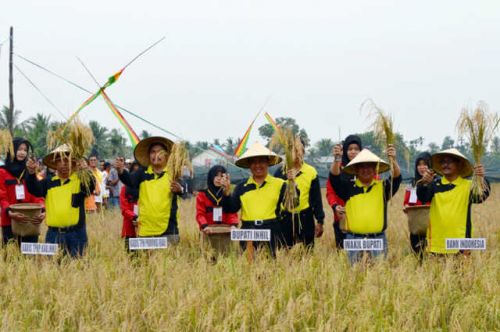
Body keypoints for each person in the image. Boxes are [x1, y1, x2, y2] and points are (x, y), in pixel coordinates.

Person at [221, 142, 297, 257]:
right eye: (254, 162)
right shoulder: (242, 187)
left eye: (261, 161)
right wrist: (226, 193)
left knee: (271, 267)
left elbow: (292, 205)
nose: (258, 166)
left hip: (272, 230)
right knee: (248, 267)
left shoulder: (280, 184)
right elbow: (231, 209)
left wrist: (292, 184)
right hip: (248, 230)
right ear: (249, 165)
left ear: (268, 163)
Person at [330, 145, 401, 264]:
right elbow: (334, 178)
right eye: (362, 167)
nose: (366, 170)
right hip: (353, 239)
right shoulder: (348, 187)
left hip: (377, 239)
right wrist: (337, 158)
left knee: (378, 276)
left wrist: (393, 159)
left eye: (369, 166)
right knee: (353, 276)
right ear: (356, 170)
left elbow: (396, 177)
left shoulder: (383, 187)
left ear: (375, 169)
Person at [25, 145, 95, 257]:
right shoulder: (48, 182)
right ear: (55, 164)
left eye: (67, 161)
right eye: (60, 161)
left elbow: (90, 186)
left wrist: (86, 171)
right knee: (53, 268)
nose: (64, 164)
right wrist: (31, 173)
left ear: (74, 163)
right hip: (53, 234)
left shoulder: (79, 181)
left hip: (76, 234)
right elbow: (34, 189)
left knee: (77, 268)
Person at [417, 148, 490, 255]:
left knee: (462, 271)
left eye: (449, 162)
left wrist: (482, 178)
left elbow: (480, 197)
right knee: (437, 271)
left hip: (461, 242)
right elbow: (423, 197)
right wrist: (424, 183)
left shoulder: (468, 186)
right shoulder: (434, 185)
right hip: (437, 243)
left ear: (459, 164)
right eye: (443, 162)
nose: (445, 165)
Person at [115, 137, 184, 244]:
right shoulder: (142, 173)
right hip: (146, 228)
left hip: (168, 228)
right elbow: (130, 181)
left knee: (168, 259)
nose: (156, 155)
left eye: (160, 152)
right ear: (149, 155)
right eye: (153, 152)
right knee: (147, 260)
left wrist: (179, 189)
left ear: (166, 155)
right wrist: (121, 171)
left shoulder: (172, 173)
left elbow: (182, 188)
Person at [274, 139, 324, 249]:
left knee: (306, 253)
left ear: (303, 152)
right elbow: (275, 199)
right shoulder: (280, 172)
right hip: (285, 218)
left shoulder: (311, 172)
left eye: (298, 150)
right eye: (291, 150)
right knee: (284, 252)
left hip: (305, 217)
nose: (295, 153)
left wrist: (320, 221)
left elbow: (316, 199)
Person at [0, 138, 45, 245]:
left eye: (25, 150)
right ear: (12, 150)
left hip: (30, 219)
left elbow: (37, 193)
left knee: (29, 256)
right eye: (19, 149)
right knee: (11, 256)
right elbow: (2, 196)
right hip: (10, 219)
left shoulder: (30, 170)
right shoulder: (2, 172)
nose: (22, 152)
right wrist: (9, 212)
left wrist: (42, 210)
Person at [326, 135, 362, 249]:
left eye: (356, 149)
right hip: (341, 218)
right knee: (343, 253)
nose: (353, 152)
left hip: (362, 219)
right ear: (345, 151)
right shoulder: (338, 168)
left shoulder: (367, 169)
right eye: (350, 149)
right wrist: (335, 206)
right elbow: (331, 191)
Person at [403, 152, 432, 256]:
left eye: (425, 164)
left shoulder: (436, 182)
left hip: (432, 225)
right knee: (417, 255)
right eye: (419, 164)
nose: (422, 167)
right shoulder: (412, 184)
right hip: (416, 226)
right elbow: (406, 203)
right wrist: (406, 207)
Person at [196, 165, 238, 231]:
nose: (219, 178)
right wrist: (205, 226)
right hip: (208, 229)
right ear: (211, 177)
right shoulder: (202, 195)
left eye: (221, 176)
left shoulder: (228, 194)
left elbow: (232, 213)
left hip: (226, 230)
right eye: (216, 175)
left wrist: (233, 225)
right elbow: (200, 214)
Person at [119, 181, 138, 252]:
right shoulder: (125, 189)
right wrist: (135, 216)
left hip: (146, 229)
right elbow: (124, 210)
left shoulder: (145, 187)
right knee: (131, 255)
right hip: (130, 228)